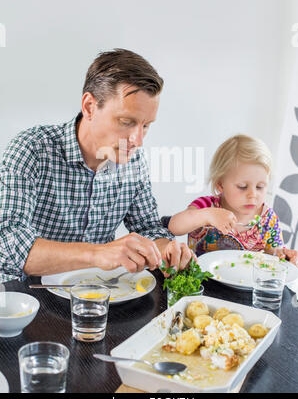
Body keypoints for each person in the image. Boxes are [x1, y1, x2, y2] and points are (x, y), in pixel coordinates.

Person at [0, 49, 194, 283]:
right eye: (126, 122)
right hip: (25, 296)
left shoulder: (133, 161)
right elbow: (8, 243)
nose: (138, 140)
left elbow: (148, 226)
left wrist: (165, 248)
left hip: (96, 295)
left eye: (145, 126)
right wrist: (100, 253)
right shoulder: (31, 149)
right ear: (90, 107)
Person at [166, 134, 298, 265]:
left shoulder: (268, 219)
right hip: (204, 283)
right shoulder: (206, 206)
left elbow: (273, 252)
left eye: (260, 187)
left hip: (247, 285)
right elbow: (174, 227)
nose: (252, 194)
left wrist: (282, 255)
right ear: (220, 184)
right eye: (242, 187)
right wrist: (206, 215)